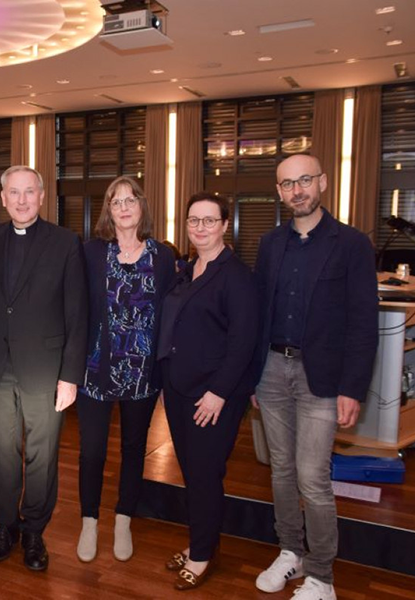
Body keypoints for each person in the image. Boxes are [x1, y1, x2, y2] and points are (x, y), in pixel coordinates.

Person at [252, 154, 378, 600]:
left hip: (321, 377)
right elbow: (260, 314)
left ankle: (322, 576)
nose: (296, 190)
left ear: (322, 182)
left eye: (304, 180)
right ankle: (290, 552)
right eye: (287, 184)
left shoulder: (352, 243)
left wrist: (352, 388)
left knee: (312, 478)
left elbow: (364, 322)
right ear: (280, 192)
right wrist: (253, 375)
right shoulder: (270, 243)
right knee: (281, 471)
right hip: (271, 371)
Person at [0, 165, 87, 572]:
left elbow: (78, 313)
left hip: (46, 368)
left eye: (29, 192)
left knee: (42, 454)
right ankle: (6, 526)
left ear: (42, 197)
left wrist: (71, 375)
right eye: (13, 193)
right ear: (2, 198)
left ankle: (35, 530)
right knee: (3, 454)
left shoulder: (65, 243)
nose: (21, 200)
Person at [157, 192, 259, 591]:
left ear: (224, 225)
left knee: (204, 475)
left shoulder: (237, 276)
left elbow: (243, 341)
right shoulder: (188, 269)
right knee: (193, 474)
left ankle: (201, 556)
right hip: (180, 390)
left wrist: (218, 392)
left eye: (209, 220)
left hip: (214, 397)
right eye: (193, 221)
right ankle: (202, 543)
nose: (200, 227)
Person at [76, 176, 176, 563]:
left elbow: (170, 314)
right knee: (92, 452)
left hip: (142, 372)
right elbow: (78, 308)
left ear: (141, 206)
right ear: (108, 210)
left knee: (134, 449)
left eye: (131, 198)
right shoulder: (91, 253)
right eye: (116, 201)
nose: (124, 206)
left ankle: (122, 520)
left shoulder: (163, 256)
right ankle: (89, 522)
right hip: (96, 370)